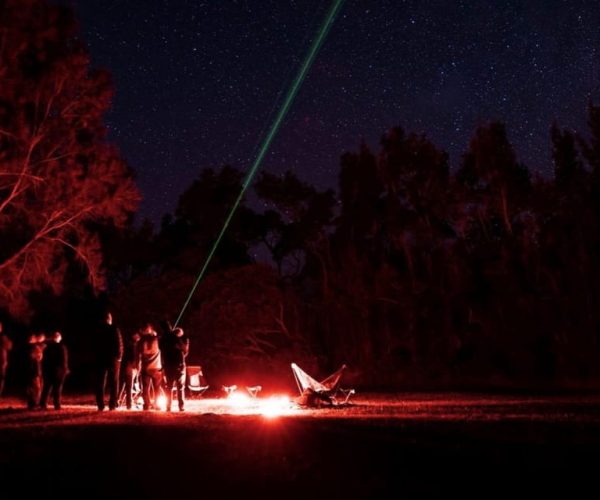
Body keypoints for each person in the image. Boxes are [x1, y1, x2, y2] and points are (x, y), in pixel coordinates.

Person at [95, 312, 123, 411]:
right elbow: (119, 343)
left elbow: (95, 345)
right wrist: (119, 356)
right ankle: (112, 404)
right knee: (114, 382)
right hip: (112, 359)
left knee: (100, 382)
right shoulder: (114, 329)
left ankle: (100, 404)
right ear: (109, 319)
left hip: (100, 358)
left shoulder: (98, 330)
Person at [160, 327, 190, 412]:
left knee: (169, 387)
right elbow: (185, 352)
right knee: (180, 387)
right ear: (179, 334)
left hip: (169, 366)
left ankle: (168, 406)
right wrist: (186, 343)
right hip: (179, 367)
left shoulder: (166, 342)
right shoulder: (180, 342)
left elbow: (163, 353)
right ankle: (181, 406)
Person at [41, 331, 69, 410]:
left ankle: (43, 402)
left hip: (49, 370)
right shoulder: (61, 347)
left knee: (47, 387)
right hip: (59, 370)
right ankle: (57, 404)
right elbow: (64, 359)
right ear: (58, 338)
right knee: (57, 388)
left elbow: (44, 360)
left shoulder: (47, 347)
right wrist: (65, 369)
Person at [140, 323, 163, 410]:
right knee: (157, 389)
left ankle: (146, 405)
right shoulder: (157, 341)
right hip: (156, 367)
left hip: (146, 368)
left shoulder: (143, 342)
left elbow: (140, 353)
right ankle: (157, 405)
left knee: (145, 388)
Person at [121, 330, 141, 409]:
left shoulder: (129, 345)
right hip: (130, 368)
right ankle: (129, 404)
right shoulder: (132, 346)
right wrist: (136, 366)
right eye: (137, 337)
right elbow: (134, 358)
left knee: (125, 385)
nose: (139, 338)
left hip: (128, 367)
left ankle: (119, 400)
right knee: (129, 386)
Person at [26, 333, 46, 410]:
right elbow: (35, 361)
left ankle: (33, 404)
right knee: (36, 388)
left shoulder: (34, 347)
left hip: (35, 371)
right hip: (34, 372)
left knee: (36, 387)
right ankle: (33, 404)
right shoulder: (32, 348)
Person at [0, 321, 13, 397]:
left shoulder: (3, 337)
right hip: (2, 362)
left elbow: (10, 346)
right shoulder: (3, 338)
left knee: (1, 378)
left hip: (2, 362)